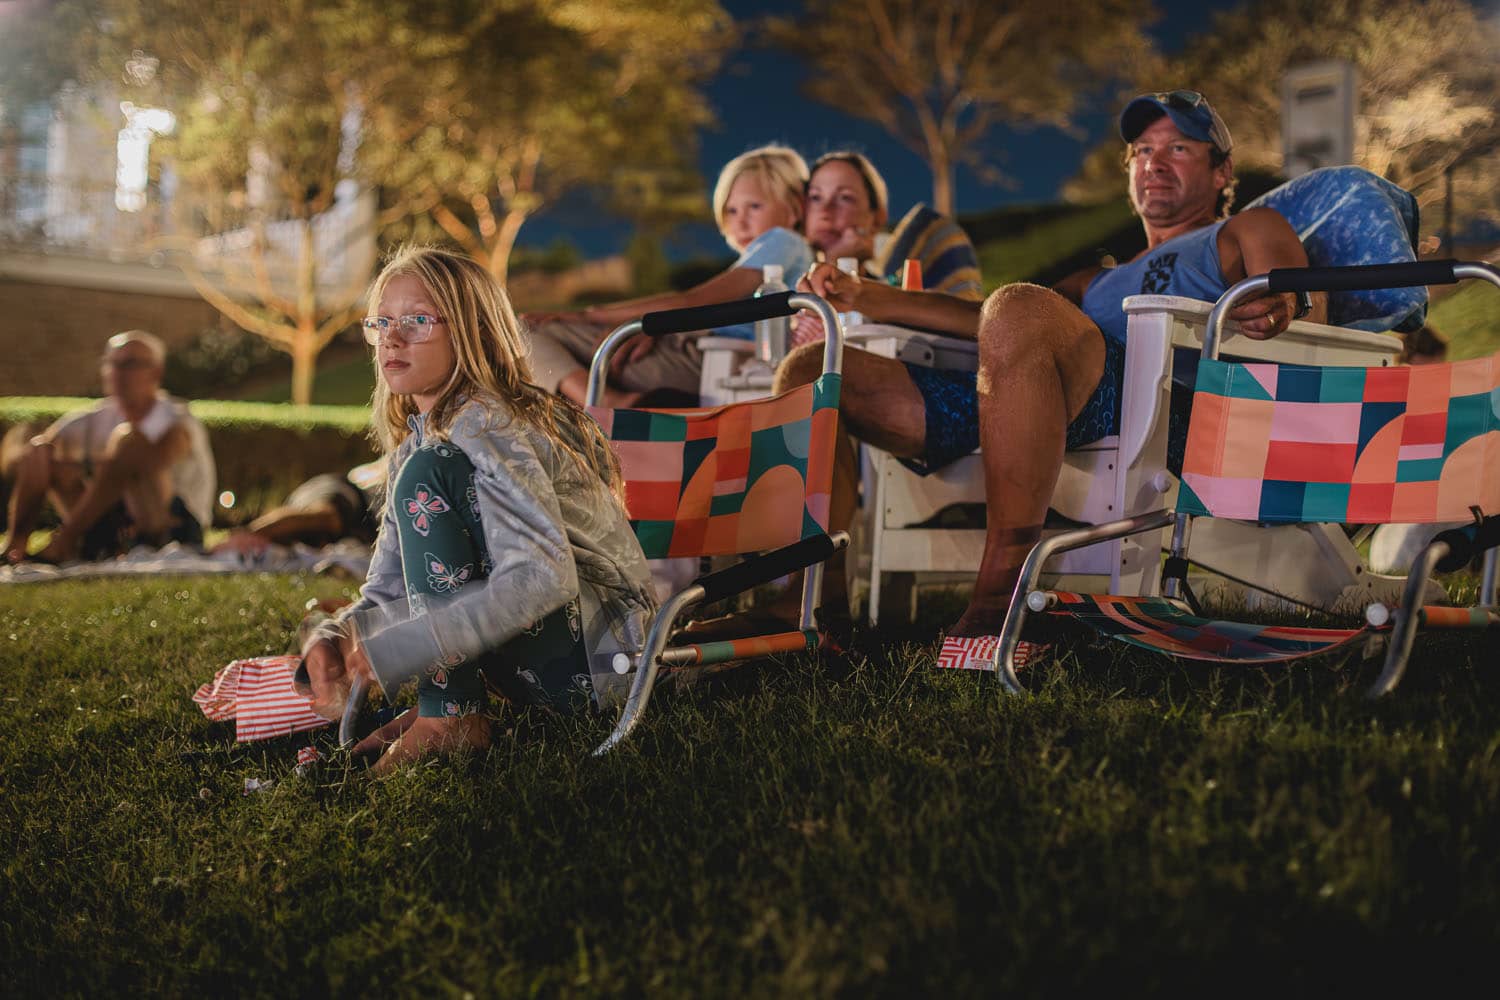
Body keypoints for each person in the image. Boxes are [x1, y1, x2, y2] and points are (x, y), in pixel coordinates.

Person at [775, 90, 1326, 650]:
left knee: (1019, 306)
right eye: (1141, 151)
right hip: (1034, 400)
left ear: (1221, 170)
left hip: (1168, 414)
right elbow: (991, 321)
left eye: (1178, 148)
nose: (1154, 163)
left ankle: (999, 601)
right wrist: (864, 295)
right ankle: (811, 608)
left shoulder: (1243, 230)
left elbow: (1308, 310)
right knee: (812, 368)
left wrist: (1282, 307)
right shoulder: (1097, 279)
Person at [298, 246, 655, 773]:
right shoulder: (416, 447)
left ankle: (451, 718)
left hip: (609, 663)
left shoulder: (488, 424)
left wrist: (398, 648)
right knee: (423, 470)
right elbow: (389, 588)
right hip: (544, 668)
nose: (392, 338)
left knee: (430, 472)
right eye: (382, 322)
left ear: (472, 332)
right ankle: (446, 710)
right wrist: (341, 633)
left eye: (417, 321)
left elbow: (544, 576)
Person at [524, 144, 813, 407]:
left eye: (755, 206)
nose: (740, 220)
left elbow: (696, 300)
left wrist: (588, 315)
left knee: (522, 332)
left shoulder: (782, 241)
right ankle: (603, 402)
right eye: (731, 209)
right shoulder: (776, 254)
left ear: (795, 207)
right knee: (535, 342)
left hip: (713, 360)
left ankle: (608, 404)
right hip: (703, 353)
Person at [3, 330, 216, 565]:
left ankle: (66, 542)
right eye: (111, 363)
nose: (118, 372)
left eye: (130, 364)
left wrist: (101, 466)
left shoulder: (177, 419)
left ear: (156, 372)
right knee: (40, 451)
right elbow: (31, 456)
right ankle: (15, 548)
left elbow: (142, 463)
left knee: (128, 442)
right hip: (114, 528)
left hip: (171, 528)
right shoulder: (93, 418)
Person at [211, 461, 386, 556]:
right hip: (349, 494)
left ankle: (248, 534)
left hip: (349, 505)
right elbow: (324, 515)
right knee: (326, 518)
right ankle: (246, 535)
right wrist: (250, 533)